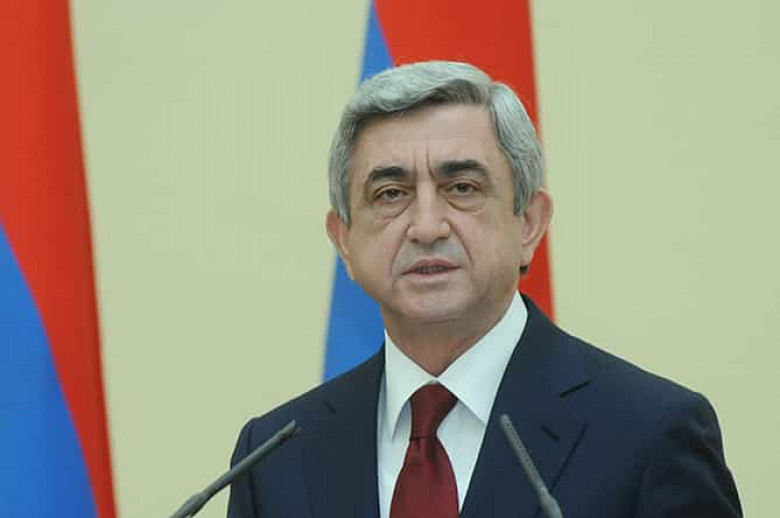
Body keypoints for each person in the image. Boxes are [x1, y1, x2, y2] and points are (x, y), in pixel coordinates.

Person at [227, 61, 742, 518]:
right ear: (344, 241)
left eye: (462, 188)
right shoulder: (275, 457)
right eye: (390, 194)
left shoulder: (650, 436)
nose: (426, 227)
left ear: (529, 224)